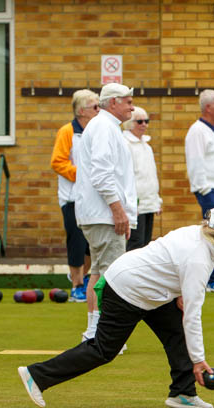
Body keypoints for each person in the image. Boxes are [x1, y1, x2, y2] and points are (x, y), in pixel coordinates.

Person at [18, 204, 214, 408]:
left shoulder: (199, 236)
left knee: (176, 331)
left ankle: (183, 394)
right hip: (126, 289)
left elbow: (173, 269)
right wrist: (198, 360)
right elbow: (193, 314)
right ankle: (37, 376)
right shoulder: (198, 257)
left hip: (148, 289)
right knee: (103, 350)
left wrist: (180, 293)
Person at [71, 83, 137, 344]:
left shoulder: (106, 127)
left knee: (99, 272)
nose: (132, 106)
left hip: (102, 214)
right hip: (103, 215)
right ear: (113, 103)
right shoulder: (103, 128)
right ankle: (104, 336)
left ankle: (95, 331)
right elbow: (101, 173)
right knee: (112, 275)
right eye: (128, 101)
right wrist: (118, 210)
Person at [51, 90, 98, 302]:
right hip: (72, 197)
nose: (99, 111)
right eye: (95, 107)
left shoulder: (98, 131)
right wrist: (83, 176)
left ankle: (85, 278)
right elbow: (58, 162)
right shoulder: (67, 131)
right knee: (76, 242)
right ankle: (76, 284)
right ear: (81, 111)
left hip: (93, 196)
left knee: (90, 242)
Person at [185, 89, 214, 293]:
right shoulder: (198, 131)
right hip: (209, 190)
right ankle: (212, 279)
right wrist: (204, 189)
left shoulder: (212, 130)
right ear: (208, 108)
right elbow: (195, 162)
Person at [123, 106, 162, 250]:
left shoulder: (147, 146)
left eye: (146, 121)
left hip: (148, 204)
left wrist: (156, 201)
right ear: (130, 123)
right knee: (135, 242)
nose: (144, 124)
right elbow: (127, 177)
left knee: (145, 244)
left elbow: (151, 176)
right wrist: (130, 204)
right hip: (135, 205)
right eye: (139, 121)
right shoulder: (126, 144)